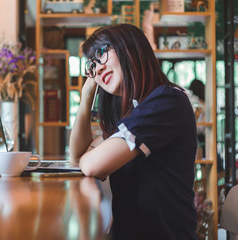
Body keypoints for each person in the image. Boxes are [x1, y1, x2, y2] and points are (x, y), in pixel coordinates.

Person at [69, 24, 197, 239]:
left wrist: (89, 158)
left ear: (129, 46)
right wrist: (86, 97)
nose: (97, 70)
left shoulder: (167, 101)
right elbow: (77, 157)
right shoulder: (134, 110)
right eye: (91, 66)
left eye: (101, 54)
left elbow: (91, 165)